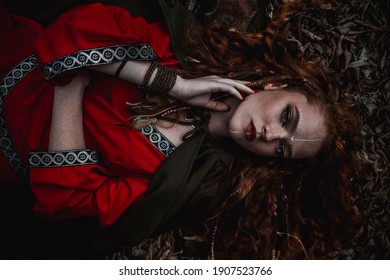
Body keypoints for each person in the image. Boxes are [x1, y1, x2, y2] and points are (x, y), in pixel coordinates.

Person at [0, 1, 361, 259]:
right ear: (275, 86)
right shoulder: (183, 55)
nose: (271, 135)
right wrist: (173, 84)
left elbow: (71, 197)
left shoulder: (186, 182)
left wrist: (71, 86)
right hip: (10, 59)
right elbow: (77, 26)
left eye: (282, 148)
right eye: (286, 118)